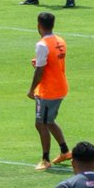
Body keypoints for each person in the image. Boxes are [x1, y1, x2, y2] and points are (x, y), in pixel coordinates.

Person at [28, 11, 70, 171]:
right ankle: (65, 151)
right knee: (49, 121)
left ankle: (45, 159)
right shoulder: (60, 40)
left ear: (39, 25)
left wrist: (31, 90)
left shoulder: (42, 44)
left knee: (41, 124)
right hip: (60, 86)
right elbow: (51, 63)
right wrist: (39, 62)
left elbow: (40, 71)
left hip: (48, 90)